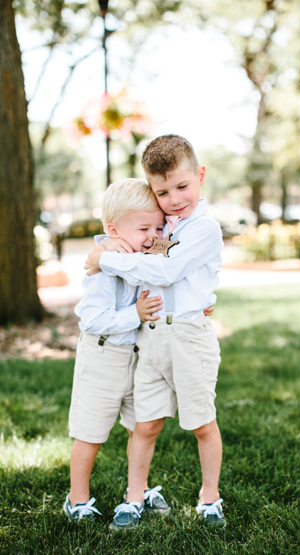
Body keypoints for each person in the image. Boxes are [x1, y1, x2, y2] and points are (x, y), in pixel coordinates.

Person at [84, 135, 226, 530]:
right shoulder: (161, 226)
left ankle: (209, 497)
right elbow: (138, 245)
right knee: (145, 423)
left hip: (188, 336)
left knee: (201, 422)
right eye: (162, 192)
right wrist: (109, 247)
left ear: (199, 175)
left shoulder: (205, 228)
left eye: (182, 186)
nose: (175, 198)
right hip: (150, 336)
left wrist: (105, 259)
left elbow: (165, 271)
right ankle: (134, 496)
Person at [64, 178, 167, 521]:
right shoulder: (105, 266)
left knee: (141, 426)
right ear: (114, 229)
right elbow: (91, 319)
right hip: (102, 356)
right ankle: (77, 499)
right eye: (143, 227)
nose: (153, 235)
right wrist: (133, 314)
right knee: (90, 433)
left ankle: (137, 489)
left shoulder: (144, 256)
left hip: (137, 358)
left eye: (158, 226)